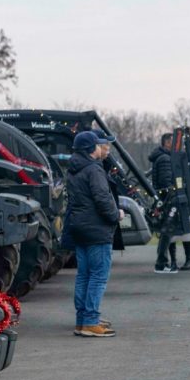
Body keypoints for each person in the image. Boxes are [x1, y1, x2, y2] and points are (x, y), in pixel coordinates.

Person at [60, 130, 121, 337]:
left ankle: (82, 320)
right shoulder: (94, 170)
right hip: (96, 229)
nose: (100, 146)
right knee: (98, 276)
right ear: (90, 148)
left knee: (84, 275)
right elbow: (103, 198)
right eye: (97, 144)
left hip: (79, 227)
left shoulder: (74, 169)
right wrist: (116, 215)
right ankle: (91, 321)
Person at [149, 133, 179, 273]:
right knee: (167, 231)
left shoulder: (160, 157)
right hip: (167, 200)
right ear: (167, 143)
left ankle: (162, 262)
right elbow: (166, 183)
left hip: (163, 199)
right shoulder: (165, 159)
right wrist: (173, 194)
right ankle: (161, 263)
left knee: (165, 231)